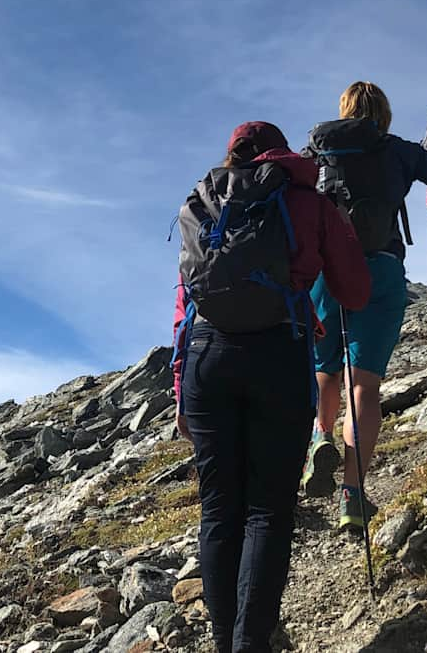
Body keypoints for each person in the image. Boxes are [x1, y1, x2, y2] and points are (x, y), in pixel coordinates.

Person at [171, 121, 370, 653]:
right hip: (279, 354)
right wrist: (340, 228)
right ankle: (251, 643)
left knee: (218, 511)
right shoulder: (310, 199)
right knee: (268, 509)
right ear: (282, 153)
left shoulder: (206, 202)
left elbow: (185, 302)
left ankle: (224, 642)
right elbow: (354, 290)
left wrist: (178, 390)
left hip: (205, 358)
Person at [299, 82, 427, 532]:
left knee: (324, 370)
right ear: (384, 113)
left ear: (342, 111)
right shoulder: (397, 150)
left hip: (326, 271)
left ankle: (321, 436)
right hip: (380, 269)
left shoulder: (314, 154)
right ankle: (352, 495)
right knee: (365, 386)